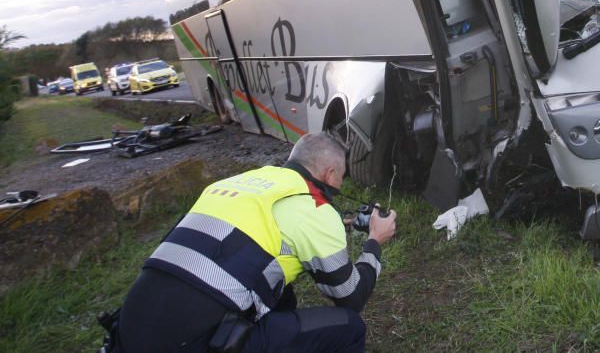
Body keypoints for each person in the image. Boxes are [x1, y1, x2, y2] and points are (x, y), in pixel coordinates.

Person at [113, 133, 396, 352]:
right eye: (342, 177)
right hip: (195, 342)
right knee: (350, 327)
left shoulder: (236, 183)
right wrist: (375, 240)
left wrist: (345, 223)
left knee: (283, 296)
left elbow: (253, 238)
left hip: (131, 326)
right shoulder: (314, 207)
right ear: (330, 174)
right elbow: (351, 296)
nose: (341, 184)